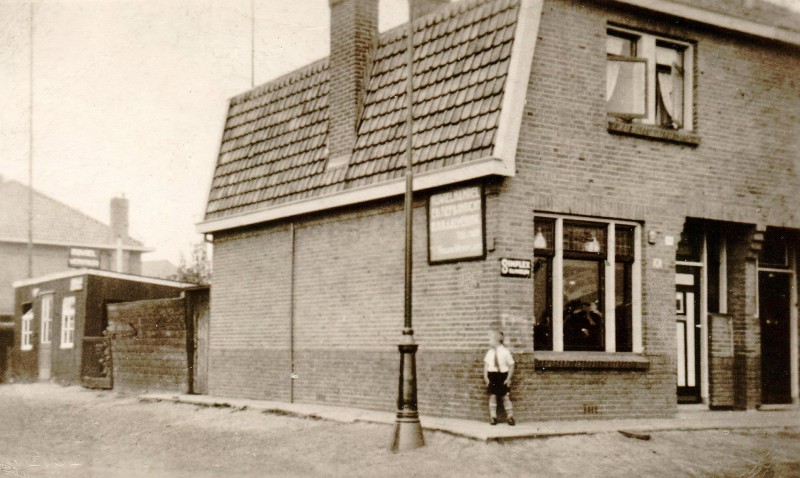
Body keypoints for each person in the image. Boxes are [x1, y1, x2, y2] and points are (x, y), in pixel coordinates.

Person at [483, 330, 515, 426]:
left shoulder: (505, 352)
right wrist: (486, 377)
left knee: (505, 396)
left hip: (502, 376)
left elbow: (512, 365)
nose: (489, 341)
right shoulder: (490, 352)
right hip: (492, 376)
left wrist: (508, 378)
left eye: (490, 339)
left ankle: (510, 417)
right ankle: (493, 417)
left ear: (496, 340)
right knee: (492, 396)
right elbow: (486, 365)